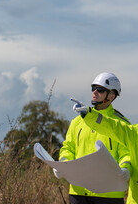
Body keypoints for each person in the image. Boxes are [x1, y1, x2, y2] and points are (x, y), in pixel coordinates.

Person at [54, 72, 132, 204]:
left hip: (109, 193)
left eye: (100, 90)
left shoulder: (121, 124)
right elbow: (68, 148)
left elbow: (127, 153)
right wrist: (62, 163)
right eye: (93, 88)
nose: (95, 92)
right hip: (78, 192)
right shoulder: (77, 122)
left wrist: (126, 169)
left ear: (112, 96)